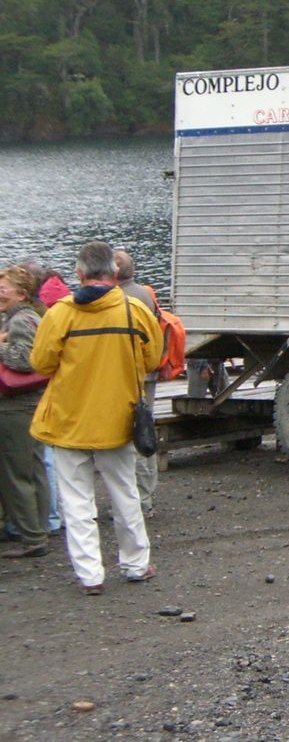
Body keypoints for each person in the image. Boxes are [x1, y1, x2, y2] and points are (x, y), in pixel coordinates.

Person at [29, 241, 162, 594]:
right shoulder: (135, 311)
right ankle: (135, 564)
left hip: (67, 420)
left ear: (79, 273)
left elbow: (40, 363)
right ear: (114, 272)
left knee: (76, 503)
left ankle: (90, 575)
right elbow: (152, 361)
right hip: (119, 420)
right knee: (125, 493)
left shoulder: (60, 313)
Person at [0, 266, 52, 559]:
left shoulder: (21, 320)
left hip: (17, 406)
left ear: (21, 292)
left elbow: (26, 360)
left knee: (17, 472)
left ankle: (32, 535)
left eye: (3, 287)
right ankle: (39, 528)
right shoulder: (27, 316)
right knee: (34, 467)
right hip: (29, 404)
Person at [115, 249, 161, 516]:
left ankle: (140, 499)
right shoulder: (144, 293)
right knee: (145, 428)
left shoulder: (123, 298)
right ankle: (145, 496)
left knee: (137, 431)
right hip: (147, 371)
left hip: (133, 374)